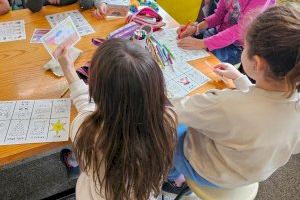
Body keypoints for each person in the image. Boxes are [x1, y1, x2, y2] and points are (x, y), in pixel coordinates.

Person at [163, 5, 300, 194]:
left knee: (166, 128)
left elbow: (174, 110)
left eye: (245, 46)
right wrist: (241, 79)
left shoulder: (226, 105)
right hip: (249, 172)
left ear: (257, 63)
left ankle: (173, 179)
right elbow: (267, 104)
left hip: (209, 171)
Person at [55, 39, 177, 200]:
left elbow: (86, 106)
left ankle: (70, 162)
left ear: (97, 91)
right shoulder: (168, 120)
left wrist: (68, 68)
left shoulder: (86, 129)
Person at [176, 0, 275, 65]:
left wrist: (203, 43)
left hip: (235, 47)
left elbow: (239, 30)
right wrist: (196, 27)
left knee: (205, 67)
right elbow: (218, 16)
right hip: (217, 33)